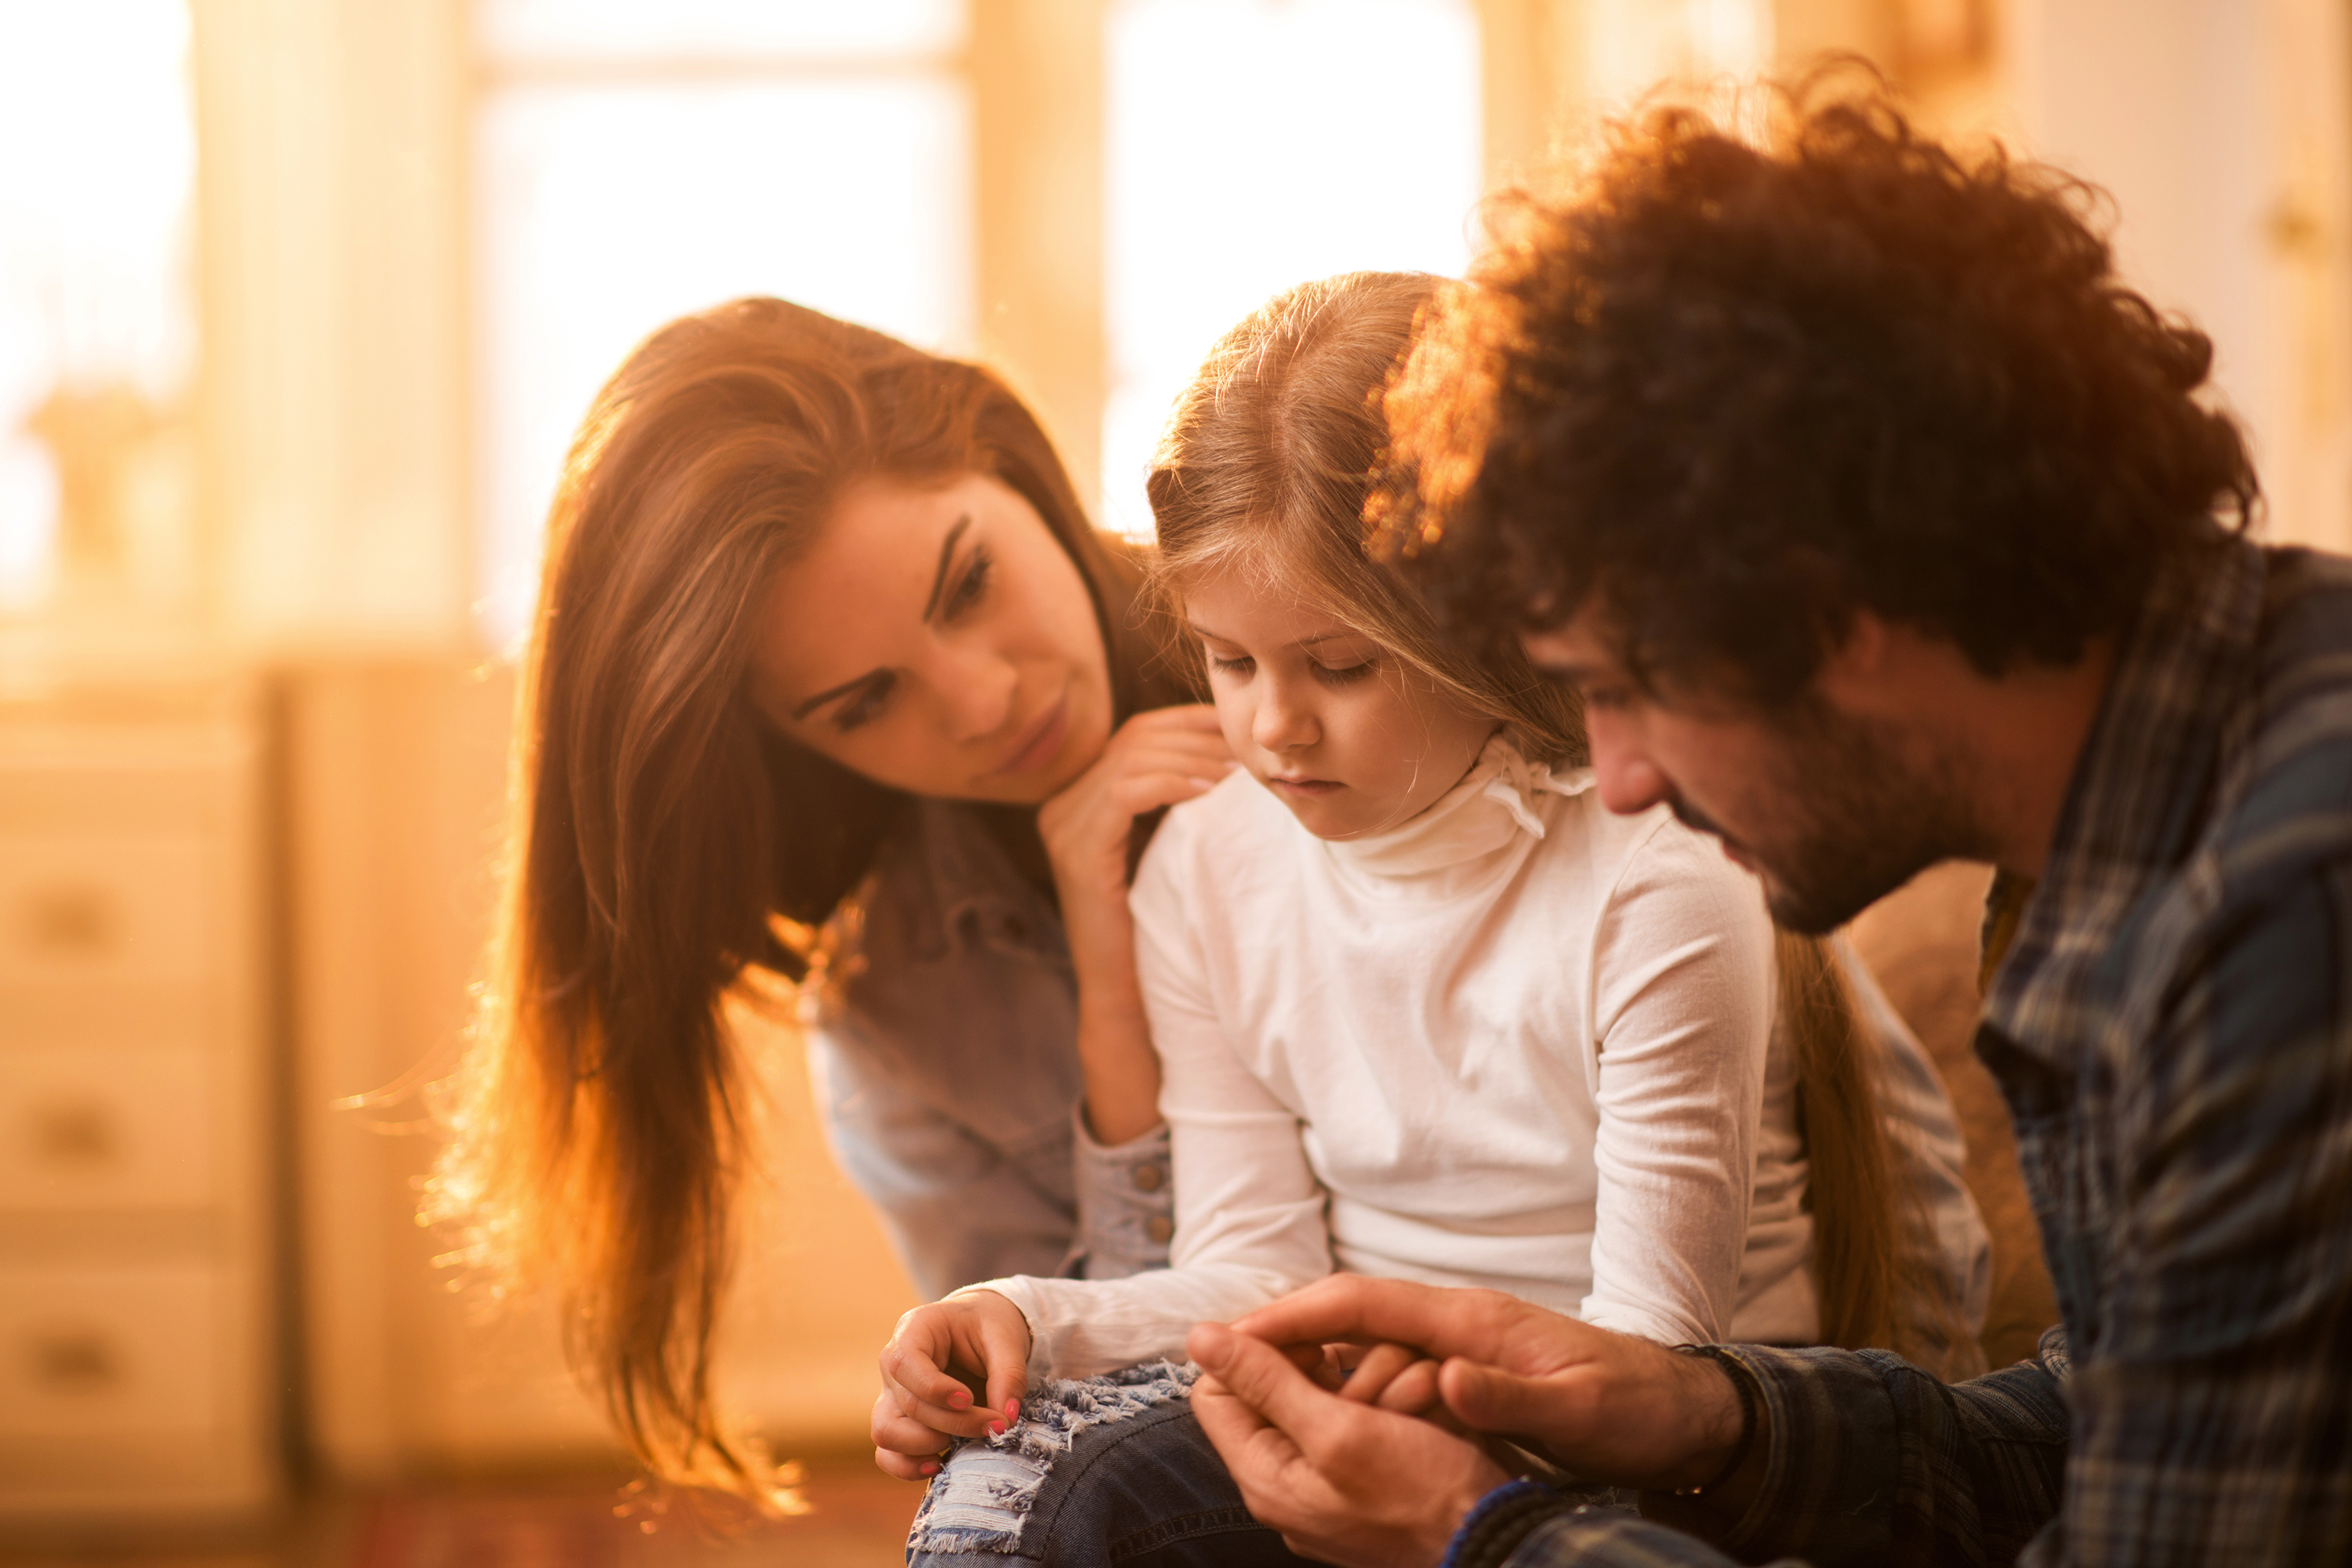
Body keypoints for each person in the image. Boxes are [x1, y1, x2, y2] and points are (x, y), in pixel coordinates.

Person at [1178, 85, 2352, 1567]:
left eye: (1624, 687)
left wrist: (1483, 1534)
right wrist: (1705, 1414)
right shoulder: (2130, 831)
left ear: (1826, 611)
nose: (1617, 781)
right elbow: (2108, 1426)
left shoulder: (2280, 924)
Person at [877, 274, 1988, 1563]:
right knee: (1020, 1480)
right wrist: (1023, 1313)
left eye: (1341, 666)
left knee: (1095, 1500)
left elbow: (1649, 1377)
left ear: (1494, 627)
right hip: (1375, 1412)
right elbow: (1258, 1281)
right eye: (1229, 662)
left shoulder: (1658, 868)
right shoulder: (1206, 863)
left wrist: (1405, 1450)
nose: (1274, 727)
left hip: (1650, 1456)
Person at [425, 297, 1231, 1493]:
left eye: (968, 583)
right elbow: (1098, 1419)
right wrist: (1106, 974)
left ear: (1007, 459)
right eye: (864, 703)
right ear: (797, 750)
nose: (981, 700)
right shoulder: (897, 1017)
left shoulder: (1343, 651)